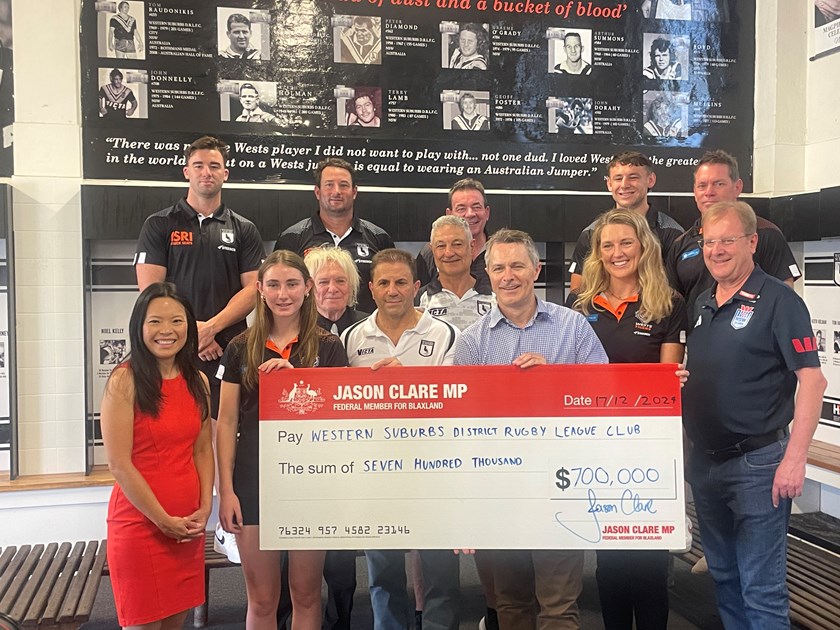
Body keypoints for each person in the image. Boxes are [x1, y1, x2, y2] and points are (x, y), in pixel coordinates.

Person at [682, 200, 827, 629]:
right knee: (724, 578)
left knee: (761, 590)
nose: (718, 250)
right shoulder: (703, 301)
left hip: (759, 465)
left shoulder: (780, 301)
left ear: (752, 242)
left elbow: (813, 382)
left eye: (728, 240)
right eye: (710, 242)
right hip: (706, 465)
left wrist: (794, 459)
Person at [455, 229, 607, 630]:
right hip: (499, 489)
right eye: (499, 267)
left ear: (536, 269)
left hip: (561, 486)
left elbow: (606, 399)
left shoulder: (573, 327)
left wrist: (556, 380)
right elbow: (461, 423)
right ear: (486, 273)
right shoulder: (472, 343)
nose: (508, 276)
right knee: (511, 605)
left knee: (559, 607)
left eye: (517, 265)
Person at [135, 135, 265, 562]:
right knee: (182, 437)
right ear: (186, 171)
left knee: (226, 434)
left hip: (230, 350)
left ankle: (225, 521)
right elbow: (151, 291)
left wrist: (211, 329)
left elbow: (255, 291)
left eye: (214, 165)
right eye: (199, 164)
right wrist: (193, 336)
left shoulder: (244, 228)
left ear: (225, 173)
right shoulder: (159, 224)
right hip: (177, 355)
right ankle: (181, 518)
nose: (207, 172)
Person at [566, 210, 687, 630]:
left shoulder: (668, 303)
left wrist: (674, 382)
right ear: (597, 254)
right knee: (609, 559)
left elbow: (668, 380)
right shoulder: (577, 306)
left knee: (649, 564)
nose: (617, 253)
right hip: (595, 446)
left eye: (625, 243)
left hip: (647, 447)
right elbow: (567, 373)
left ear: (643, 247)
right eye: (607, 246)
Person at [216, 250, 349, 630]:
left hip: (310, 481)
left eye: (292, 284)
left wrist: (297, 381)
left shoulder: (328, 347)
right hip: (253, 480)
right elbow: (225, 422)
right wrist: (225, 490)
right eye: (273, 284)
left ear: (308, 288)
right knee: (262, 600)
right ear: (259, 289)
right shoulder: (239, 347)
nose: (283, 293)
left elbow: (339, 419)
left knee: (305, 593)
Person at [341, 248, 460, 630]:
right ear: (371, 289)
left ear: (417, 287)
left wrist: (405, 381)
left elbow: (453, 402)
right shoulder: (350, 337)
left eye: (401, 282)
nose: (393, 290)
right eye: (384, 283)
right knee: (384, 572)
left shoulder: (444, 334)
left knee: (440, 570)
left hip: (433, 470)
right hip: (376, 473)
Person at [102, 282, 213, 629]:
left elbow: (202, 448)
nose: (167, 331)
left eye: (177, 321)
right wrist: (162, 519)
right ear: (139, 327)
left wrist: (205, 507)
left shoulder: (198, 382)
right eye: (156, 322)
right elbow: (119, 464)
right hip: (141, 525)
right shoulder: (125, 381)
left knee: (176, 624)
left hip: (187, 526)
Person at [667, 150, 801, 312]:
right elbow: (673, 305)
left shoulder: (766, 233)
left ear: (737, 187)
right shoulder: (680, 244)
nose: (709, 192)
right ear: (694, 192)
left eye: (719, 184)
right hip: (698, 335)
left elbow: (785, 298)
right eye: (702, 185)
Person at [274, 158, 394, 313]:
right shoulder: (292, 238)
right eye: (329, 185)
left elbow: (390, 288)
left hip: (365, 333)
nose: (336, 191)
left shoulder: (378, 238)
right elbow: (280, 291)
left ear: (354, 192)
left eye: (343, 185)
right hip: (308, 332)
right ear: (317, 192)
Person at [568, 151, 683, 291]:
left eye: (633, 177)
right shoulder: (591, 233)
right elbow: (577, 292)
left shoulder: (672, 233)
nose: (624, 185)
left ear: (650, 180)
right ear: (609, 184)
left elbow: (679, 291)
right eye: (618, 178)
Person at [417, 215, 494, 329]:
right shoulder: (417, 299)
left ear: (471, 246)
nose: (448, 253)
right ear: (432, 250)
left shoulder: (496, 298)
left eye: (457, 244)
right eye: (441, 246)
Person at [305, 246, 367, 336]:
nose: (333, 289)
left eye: (340, 281)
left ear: (351, 285)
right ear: (309, 287)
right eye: (323, 282)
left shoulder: (368, 326)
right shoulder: (298, 329)